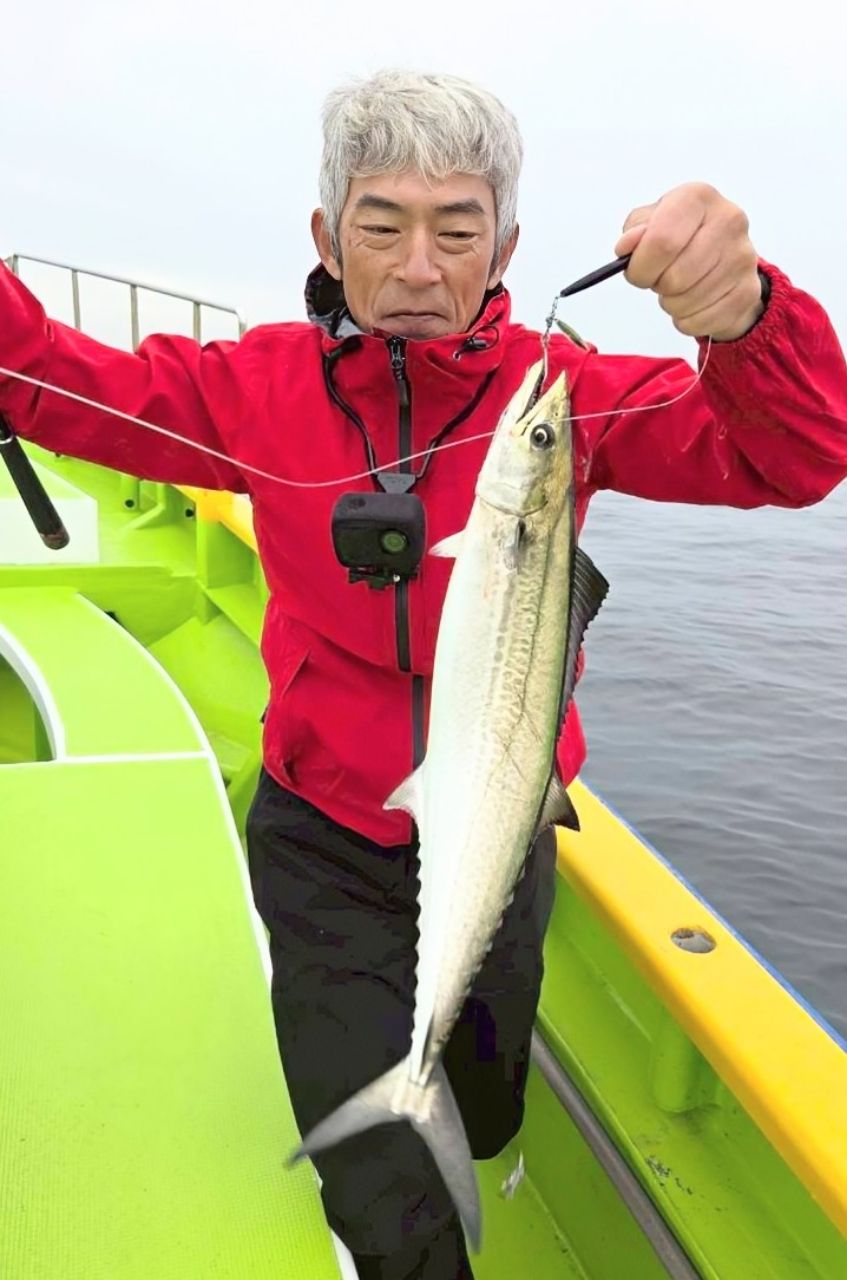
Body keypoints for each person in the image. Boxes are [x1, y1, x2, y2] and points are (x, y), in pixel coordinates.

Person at [1, 69, 846, 1280]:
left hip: (505, 827)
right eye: (380, 225)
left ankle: (481, 1130)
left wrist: (748, 313)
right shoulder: (251, 389)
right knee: (392, 1200)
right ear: (324, 239)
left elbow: (798, 449)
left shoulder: (556, 400)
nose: (415, 268)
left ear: (503, 243)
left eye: (456, 230)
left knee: (489, 1088)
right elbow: (49, 381)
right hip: (324, 827)